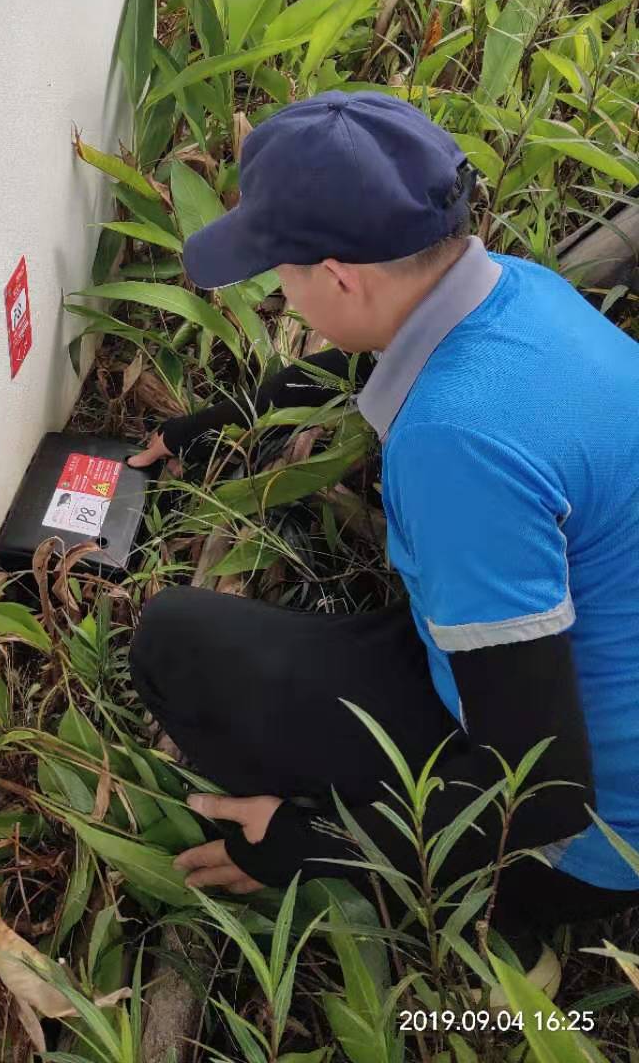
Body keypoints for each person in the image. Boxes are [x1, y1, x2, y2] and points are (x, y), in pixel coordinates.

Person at [124, 91, 639, 994]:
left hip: (585, 835)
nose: (276, 288)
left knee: (177, 644)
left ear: (340, 276)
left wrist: (312, 845)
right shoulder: (523, 294)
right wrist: (225, 419)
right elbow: (361, 356)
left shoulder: (458, 439)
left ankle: (505, 916)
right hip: (587, 682)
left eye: (276, 269)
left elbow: (549, 788)